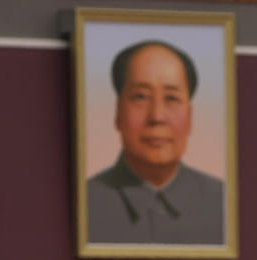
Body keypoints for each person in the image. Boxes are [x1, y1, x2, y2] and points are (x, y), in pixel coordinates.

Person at [86, 40, 224, 246]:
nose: (157, 116)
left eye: (171, 98)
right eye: (140, 97)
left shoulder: (223, 204)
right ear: (117, 113)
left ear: (190, 117)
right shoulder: (85, 204)